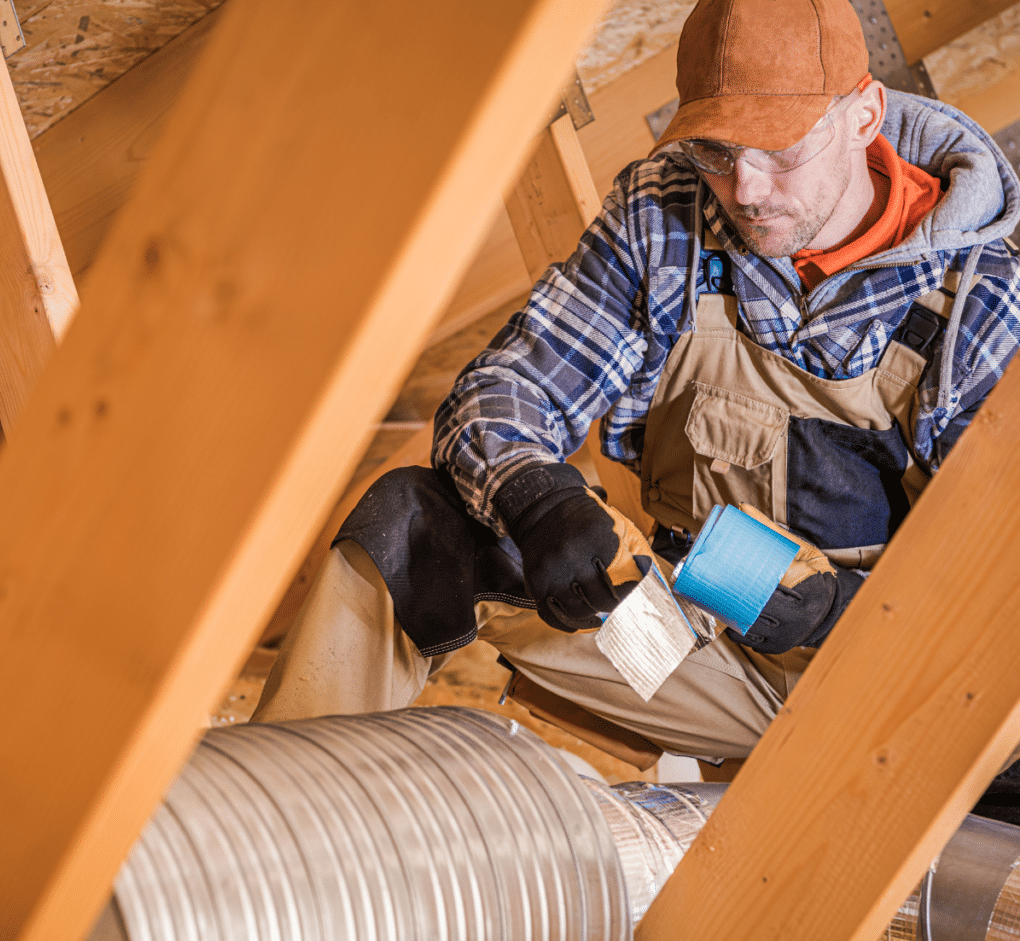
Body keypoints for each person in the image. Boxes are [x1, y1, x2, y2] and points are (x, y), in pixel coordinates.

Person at [252, 0, 1020, 762]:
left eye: (778, 150)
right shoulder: (667, 212)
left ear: (864, 114)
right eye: (717, 150)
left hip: (884, 689)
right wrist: (538, 500)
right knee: (414, 529)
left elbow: (995, 604)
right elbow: (507, 391)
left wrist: (837, 613)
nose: (745, 188)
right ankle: (271, 835)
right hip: (683, 643)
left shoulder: (978, 302)